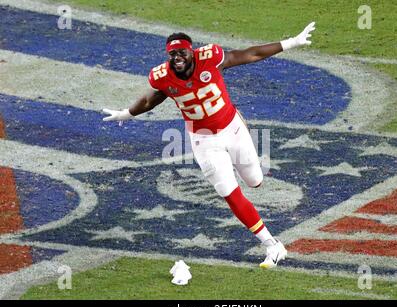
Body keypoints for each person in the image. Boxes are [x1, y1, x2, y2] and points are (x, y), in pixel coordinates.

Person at [103, 22, 316, 268]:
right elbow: (149, 101)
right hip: (203, 139)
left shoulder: (210, 58)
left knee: (255, 180)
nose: (177, 57)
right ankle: (272, 245)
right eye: (172, 54)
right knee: (230, 193)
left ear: (191, 51)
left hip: (232, 127)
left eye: (181, 52)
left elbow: (250, 54)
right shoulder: (163, 76)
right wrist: (125, 114)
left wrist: (291, 42)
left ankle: (239, 138)